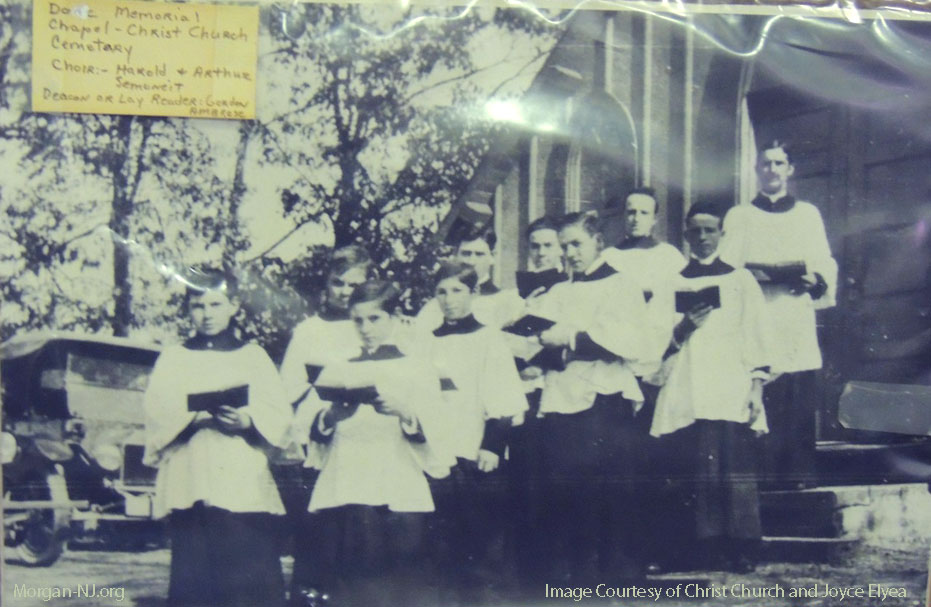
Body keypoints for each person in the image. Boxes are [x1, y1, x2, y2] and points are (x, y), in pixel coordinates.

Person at [292, 280, 453, 607]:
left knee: (399, 588)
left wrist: (405, 413)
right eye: (358, 320)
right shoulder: (337, 368)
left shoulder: (417, 367)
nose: (365, 328)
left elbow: (439, 431)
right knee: (352, 588)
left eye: (375, 318)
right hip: (348, 489)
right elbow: (306, 428)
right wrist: (331, 416)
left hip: (398, 491)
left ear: (394, 317)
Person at [143, 268, 290, 607]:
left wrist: (246, 421)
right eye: (198, 306)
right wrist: (191, 419)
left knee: (246, 576)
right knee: (194, 578)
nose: (206, 315)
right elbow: (156, 412)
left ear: (233, 306)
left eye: (215, 305)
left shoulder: (252, 356)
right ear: (188, 309)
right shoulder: (174, 358)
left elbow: (278, 414)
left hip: (240, 477)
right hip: (191, 474)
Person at [531, 212, 654, 585]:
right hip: (560, 399)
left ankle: (615, 580)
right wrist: (552, 344)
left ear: (597, 241)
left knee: (606, 493)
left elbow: (629, 342)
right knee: (568, 495)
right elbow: (534, 342)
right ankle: (577, 582)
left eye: (576, 244)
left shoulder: (621, 285)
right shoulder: (558, 291)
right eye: (564, 245)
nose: (569, 253)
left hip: (603, 401)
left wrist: (568, 340)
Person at [650, 202, 772, 572]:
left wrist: (756, 390)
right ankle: (695, 550)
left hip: (729, 385)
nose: (702, 238)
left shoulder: (740, 280)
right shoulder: (672, 282)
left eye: (709, 231)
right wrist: (683, 327)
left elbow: (757, 337)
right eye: (695, 231)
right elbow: (653, 338)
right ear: (685, 235)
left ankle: (741, 550)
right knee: (689, 469)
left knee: (733, 471)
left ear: (722, 234)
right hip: (686, 387)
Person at [718, 140, 837, 488]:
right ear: (756, 170)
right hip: (757, 315)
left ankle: (799, 477)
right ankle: (762, 479)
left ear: (790, 170)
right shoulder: (740, 215)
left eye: (779, 163)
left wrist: (815, 279)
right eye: (766, 164)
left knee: (797, 395)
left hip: (793, 313)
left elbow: (823, 262)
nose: (772, 170)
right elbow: (727, 266)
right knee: (760, 388)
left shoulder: (807, 214)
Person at [419, 261, 527, 604]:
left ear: (473, 293)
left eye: (457, 290)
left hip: (475, 455)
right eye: (441, 291)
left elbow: (504, 397)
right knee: (440, 550)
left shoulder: (487, 338)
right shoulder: (424, 342)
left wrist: (491, 445)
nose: (449, 299)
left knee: (482, 551)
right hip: (435, 455)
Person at [278, 245, 373, 603]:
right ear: (327, 283)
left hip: (363, 443)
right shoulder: (309, 331)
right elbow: (288, 391)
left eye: (354, 284)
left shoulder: (373, 326)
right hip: (320, 443)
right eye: (338, 283)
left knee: (359, 541)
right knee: (317, 540)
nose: (345, 292)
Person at [415, 227, 521, 331]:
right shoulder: (437, 305)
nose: (471, 261)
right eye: (466, 254)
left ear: (492, 257)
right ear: (455, 256)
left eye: (479, 254)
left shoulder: (506, 302)